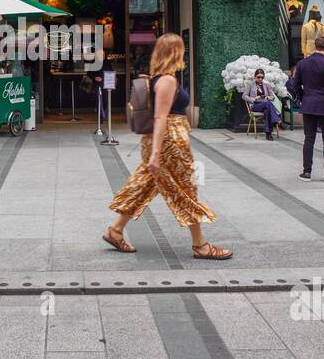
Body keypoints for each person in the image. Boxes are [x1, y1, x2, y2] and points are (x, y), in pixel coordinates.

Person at [105, 33, 229, 260]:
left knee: (144, 185)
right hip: (169, 143)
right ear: (174, 52)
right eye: (181, 49)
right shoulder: (167, 81)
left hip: (162, 142)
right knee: (185, 189)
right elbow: (160, 118)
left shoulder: (159, 78)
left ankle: (115, 231)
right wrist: (155, 155)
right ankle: (200, 245)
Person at [286, 34, 324, 182]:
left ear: (315, 47)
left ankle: (306, 172)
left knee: (309, 139)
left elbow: (295, 84)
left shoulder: (302, 64)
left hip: (309, 104)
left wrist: (302, 97)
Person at [242, 68, 280, 140]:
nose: (260, 79)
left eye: (262, 77)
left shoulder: (266, 85)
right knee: (268, 104)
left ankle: (268, 134)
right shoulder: (250, 85)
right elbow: (244, 96)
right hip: (255, 105)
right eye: (258, 77)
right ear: (255, 76)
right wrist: (254, 99)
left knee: (267, 109)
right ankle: (276, 119)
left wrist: (267, 97)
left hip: (265, 105)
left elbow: (272, 97)